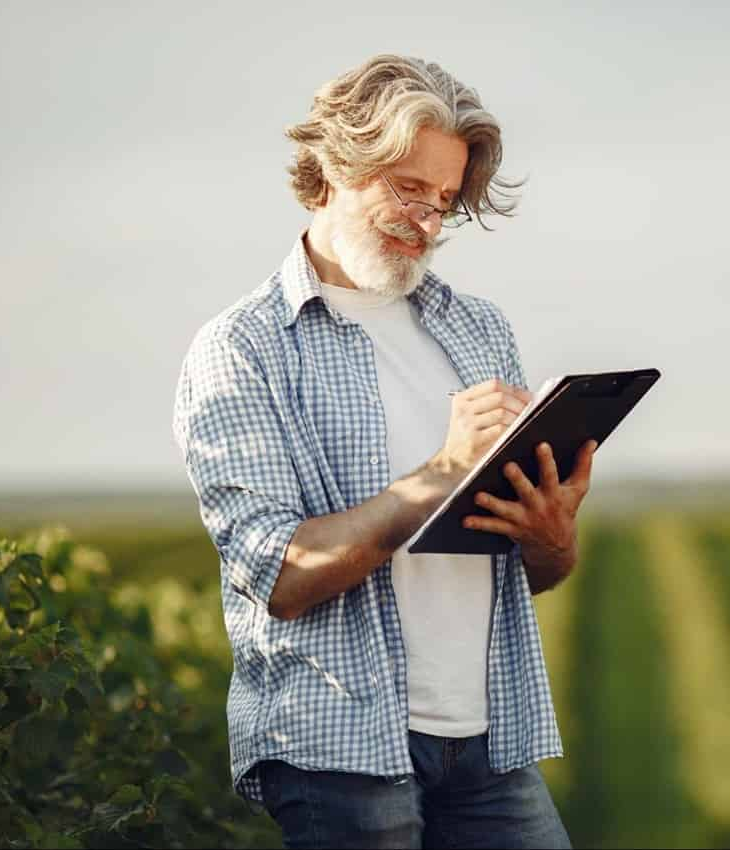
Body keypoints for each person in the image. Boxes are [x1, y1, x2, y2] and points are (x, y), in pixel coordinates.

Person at [171, 54, 597, 849]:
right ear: (336, 164)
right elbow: (280, 577)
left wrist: (551, 536)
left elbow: (534, 573)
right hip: (339, 750)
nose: (430, 222)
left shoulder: (478, 329)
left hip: (488, 743)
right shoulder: (243, 348)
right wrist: (442, 469)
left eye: (445, 201)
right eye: (410, 188)